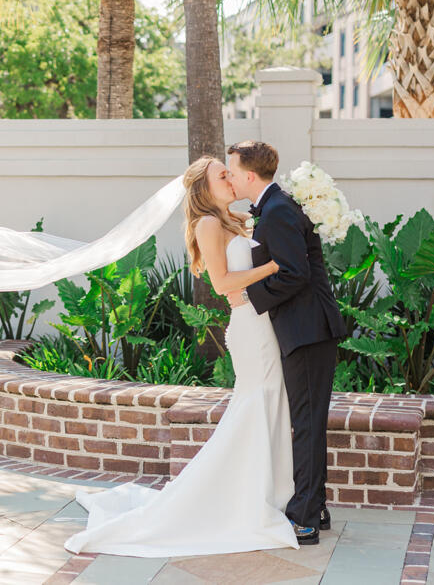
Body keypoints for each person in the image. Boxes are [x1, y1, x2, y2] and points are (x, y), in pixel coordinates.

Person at [63, 155, 300, 557]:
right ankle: (247, 498)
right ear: (204, 190)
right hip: (248, 326)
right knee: (256, 404)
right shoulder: (208, 224)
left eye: (228, 172)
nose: (228, 178)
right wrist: (275, 266)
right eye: (220, 175)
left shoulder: (238, 219)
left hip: (262, 323)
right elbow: (223, 284)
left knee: (269, 402)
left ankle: (268, 493)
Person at [226, 140, 348, 546]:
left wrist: (249, 297)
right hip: (304, 329)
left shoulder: (277, 211)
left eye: (232, 169)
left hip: (308, 331)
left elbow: (295, 273)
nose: (228, 176)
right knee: (307, 423)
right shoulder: (274, 207)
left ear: (248, 174)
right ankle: (317, 507)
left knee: (307, 425)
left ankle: (305, 518)